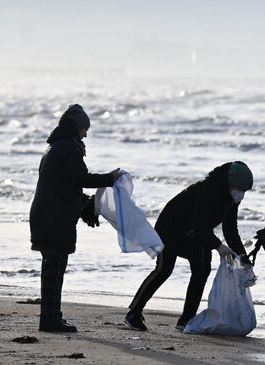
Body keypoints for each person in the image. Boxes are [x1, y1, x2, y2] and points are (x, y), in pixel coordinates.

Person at [124, 161, 253, 332]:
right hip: (169, 229)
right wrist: (218, 246)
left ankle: (186, 319)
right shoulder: (207, 189)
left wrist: (242, 256)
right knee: (164, 269)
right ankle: (134, 313)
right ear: (229, 183)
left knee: (202, 268)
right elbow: (199, 223)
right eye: (239, 189)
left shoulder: (231, 199)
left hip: (194, 234)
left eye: (244, 191)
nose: (240, 194)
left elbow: (230, 229)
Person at [30, 104, 122, 333]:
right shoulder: (66, 148)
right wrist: (109, 179)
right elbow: (80, 178)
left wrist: (85, 204)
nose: (86, 133)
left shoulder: (56, 148)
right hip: (54, 220)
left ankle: (52, 317)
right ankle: (50, 320)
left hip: (49, 217)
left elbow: (65, 185)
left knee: (53, 271)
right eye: (84, 128)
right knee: (54, 271)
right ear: (75, 128)